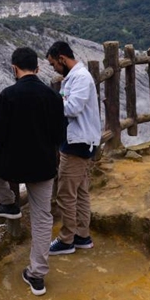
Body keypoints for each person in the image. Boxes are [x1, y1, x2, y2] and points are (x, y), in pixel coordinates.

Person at [0, 47, 66, 296]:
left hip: (12, 165)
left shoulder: (8, 95)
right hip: (43, 165)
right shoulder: (52, 96)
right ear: (38, 68)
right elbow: (59, 134)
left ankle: (8, 203)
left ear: (14, 68)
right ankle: (37, 275)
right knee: (43, 217)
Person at [45, 41, 101, 255]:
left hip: (77, 143)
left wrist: (50, 104)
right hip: (81, 141)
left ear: (61, 58)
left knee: (66, 194)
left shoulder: (80, 78)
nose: (54, 69)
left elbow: (72, 107)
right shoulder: (77, 77)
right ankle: (82, 235)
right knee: (80, 191)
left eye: (54, 64)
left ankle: (67, 239)